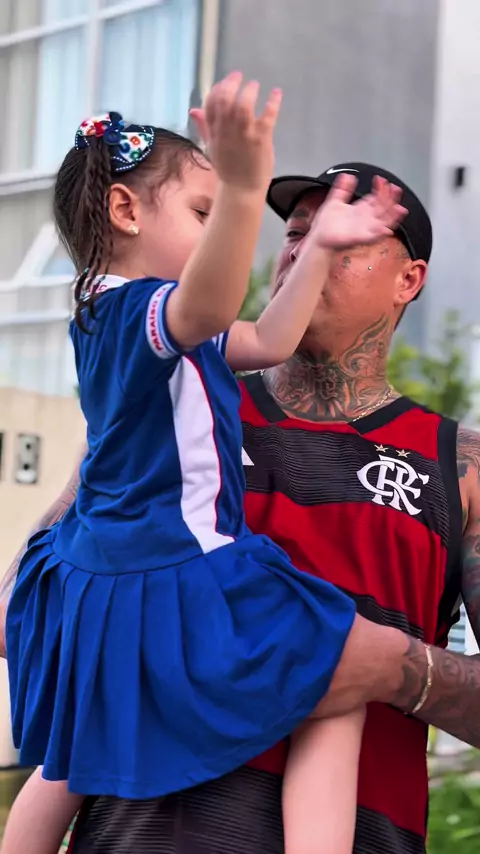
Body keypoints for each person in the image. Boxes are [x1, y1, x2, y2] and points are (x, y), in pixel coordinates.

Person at [2, 155, 480, 854]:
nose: (303, 251)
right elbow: (22, 609)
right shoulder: (175, 402)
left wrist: (399, 667)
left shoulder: (461, 466)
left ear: (409, 280)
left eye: (343, 235)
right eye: (296, 233)